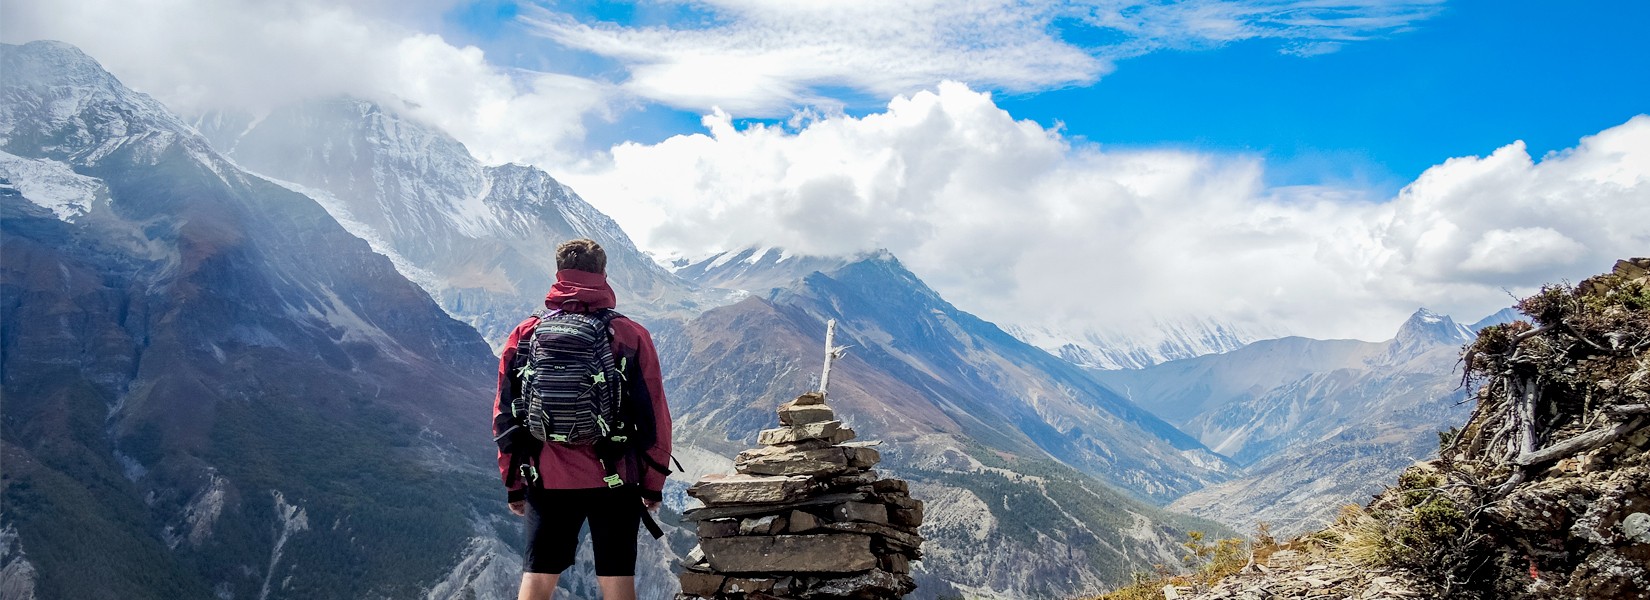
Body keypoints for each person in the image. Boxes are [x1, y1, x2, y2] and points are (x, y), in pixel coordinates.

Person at [492, 238, 673, 600]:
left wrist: (514, 480)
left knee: (538, 578)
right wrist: (653, 483)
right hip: (615, 477)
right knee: (617, 579)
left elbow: (505, 415)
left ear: (558, 274)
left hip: (547, 477)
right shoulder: (630, 334)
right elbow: (655, 415)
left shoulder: (526, 333)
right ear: (604, 275)